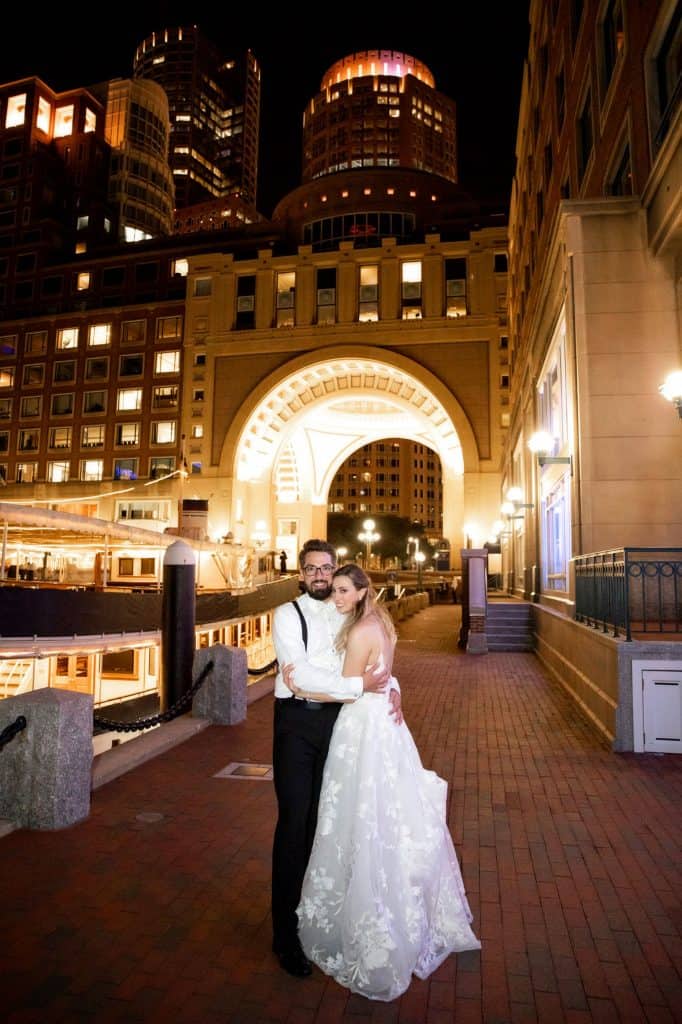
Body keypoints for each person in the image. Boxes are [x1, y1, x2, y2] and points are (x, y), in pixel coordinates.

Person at [286, 563, 481, 1001]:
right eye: (332, 590)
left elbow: (347, 688)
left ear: (359, 592)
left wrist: (300, 686)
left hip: (360, 728)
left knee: (359, 814)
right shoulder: (382, 624)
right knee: (381, 811)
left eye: (341, 590)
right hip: (384, 726)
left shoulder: (358, 633)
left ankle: (366, 914)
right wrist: (391, 688)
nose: (335, 597)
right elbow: (382, 676)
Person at [271, 540, 400, 979]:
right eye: (312, 569)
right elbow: (298, 675)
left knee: (331, 824)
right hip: (297, 727)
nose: (321, 576)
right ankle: (284, 935)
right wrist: (362, 686)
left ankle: (322, 918)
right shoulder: (287, 615)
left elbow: (375, 656)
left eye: (327, 568)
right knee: (294, 822)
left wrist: (391, 688)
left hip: (343, 726)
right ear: (301, 574)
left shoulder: (349, 609)